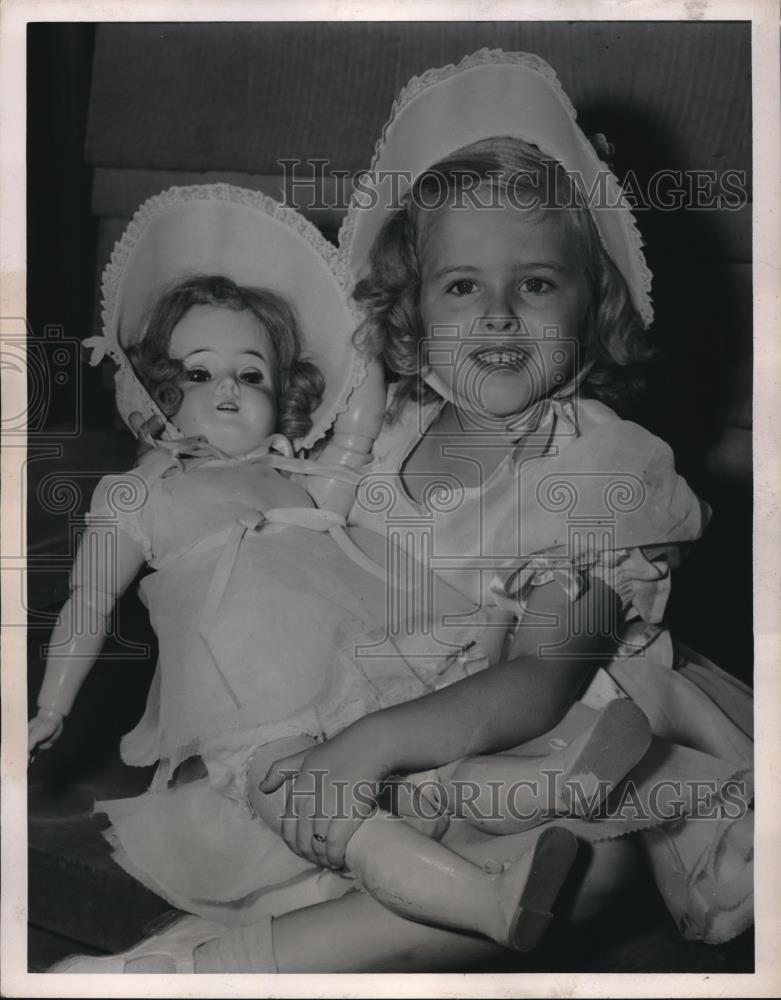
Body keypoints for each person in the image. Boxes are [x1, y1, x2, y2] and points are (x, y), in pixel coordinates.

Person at [161, 50, 752, 974]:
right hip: (367, 739)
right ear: (413, 306)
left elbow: (544, 677)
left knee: (588, 857)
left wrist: (379, 741)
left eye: (538, 284)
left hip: (529, 730)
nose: (500, 315)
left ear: (594, 304)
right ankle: (318, 905)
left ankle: (241, 963)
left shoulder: (599, 466)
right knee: (260, 723)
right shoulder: (388, 430)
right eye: (462, 285)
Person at [33, 187, 654, 973]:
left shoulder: (305, 479)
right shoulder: (143, 493)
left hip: (378, 691)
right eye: (197, 373)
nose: (227, 390)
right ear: (150, 388)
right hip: (248, 709)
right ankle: (473, 886)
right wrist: (51, 702)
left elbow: (356, 431)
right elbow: (89, 598)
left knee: (473, 810)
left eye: (251, 375)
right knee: (340, 815)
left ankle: (528, 795)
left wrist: (359, 342)